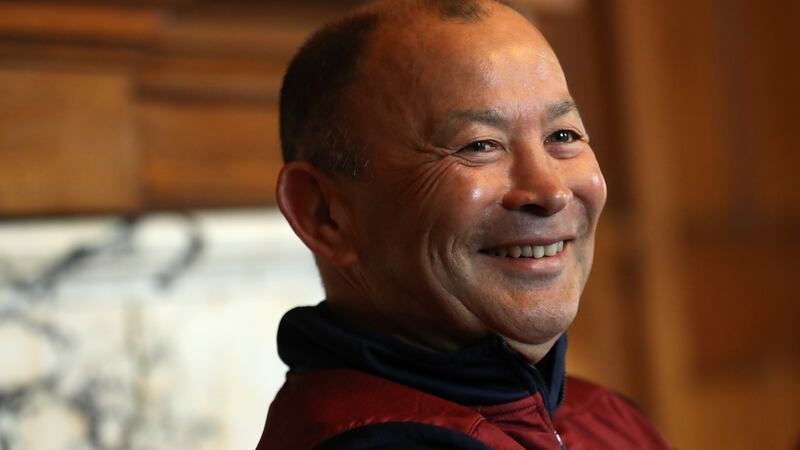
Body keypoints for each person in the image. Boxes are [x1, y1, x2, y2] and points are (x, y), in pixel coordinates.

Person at [257, 0, 670, 448]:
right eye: (479, 145)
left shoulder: (604, 418)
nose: (551, 192)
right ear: (324, 215)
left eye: (562, 135)